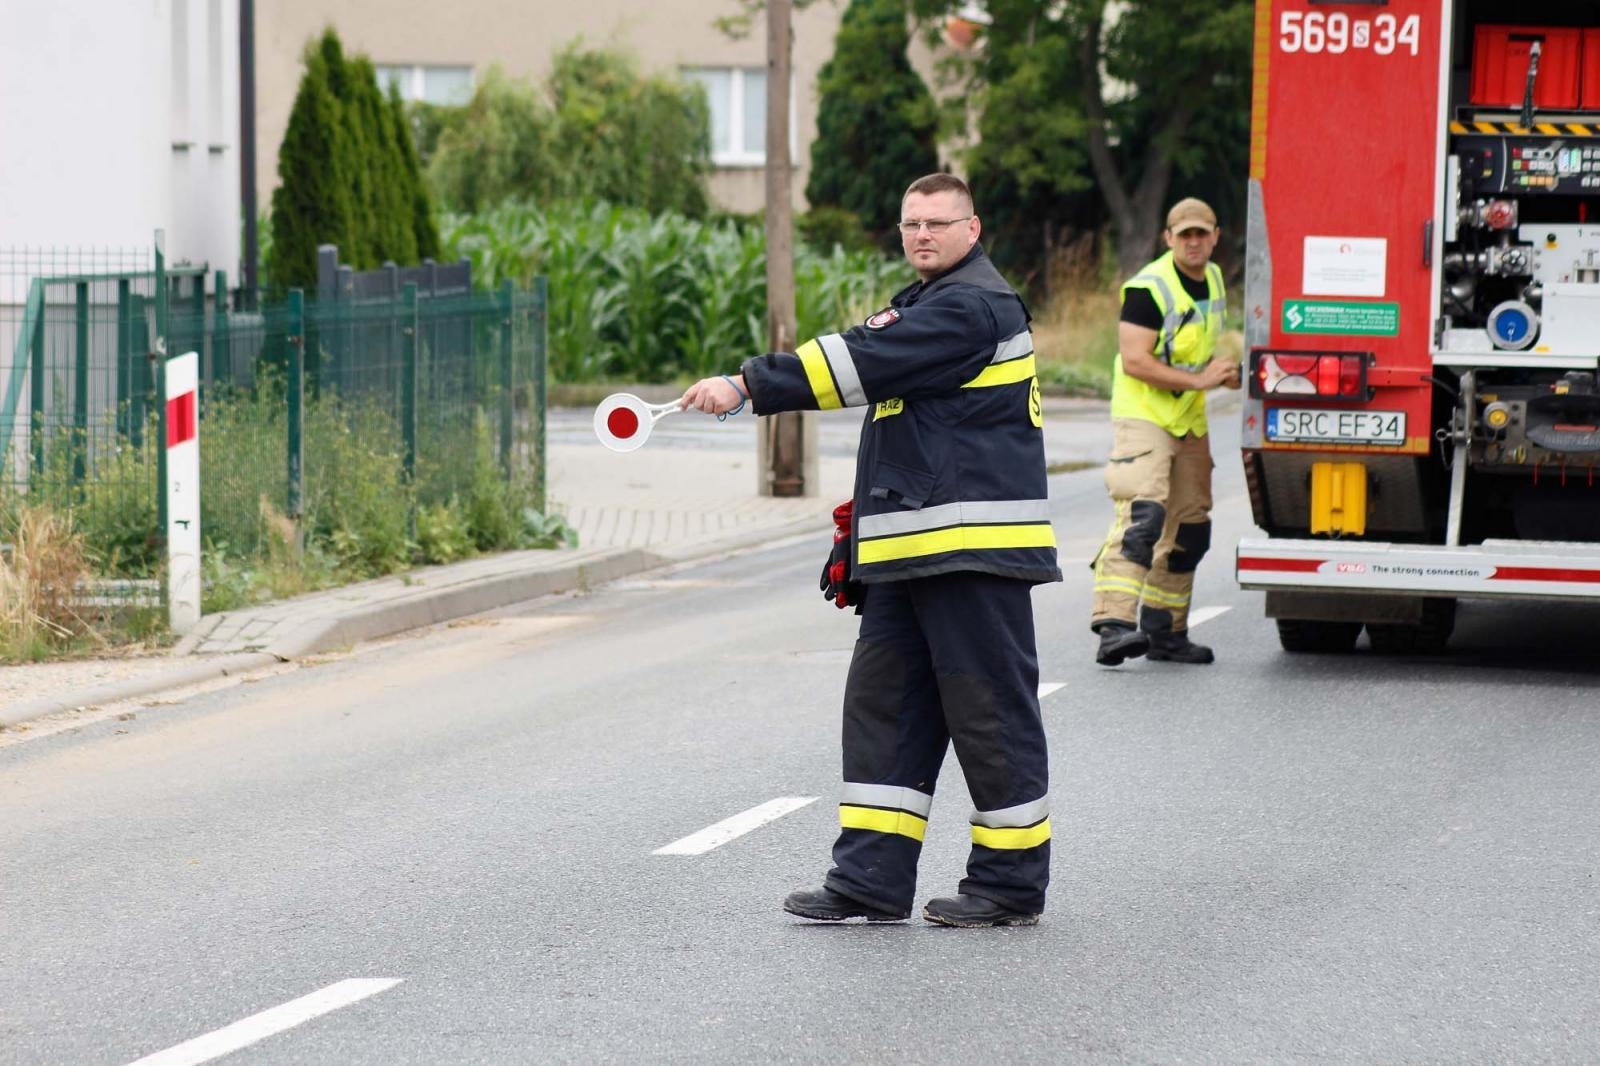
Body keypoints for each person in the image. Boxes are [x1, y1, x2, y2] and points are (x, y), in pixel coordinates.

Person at [681, 173, 1061, 928]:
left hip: (971, 557)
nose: (922, 234)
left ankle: (1009, 884)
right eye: (911, 221)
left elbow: (856, 364)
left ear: (972, 230)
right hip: (912, 556)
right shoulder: (926, 300)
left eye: (938, 223)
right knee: (884, 711)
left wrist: (746, 384)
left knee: (988, 718)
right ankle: (870, 880)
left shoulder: (971, 305)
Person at [1089, 196, 1239, 668]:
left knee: (1191, 529)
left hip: (1188, 418)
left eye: (1202, 233)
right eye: (1185, 235)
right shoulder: (1148, 287)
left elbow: (1202, 344)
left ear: (1215, 237)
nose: (1194, 242)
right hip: (1144, 415)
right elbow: (1135, 361)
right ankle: (1113, 627)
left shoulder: (1213, 279)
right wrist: (1200, 381)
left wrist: (1225, 374)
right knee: (1143, 516)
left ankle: (1165, 633)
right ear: (1168, 239)